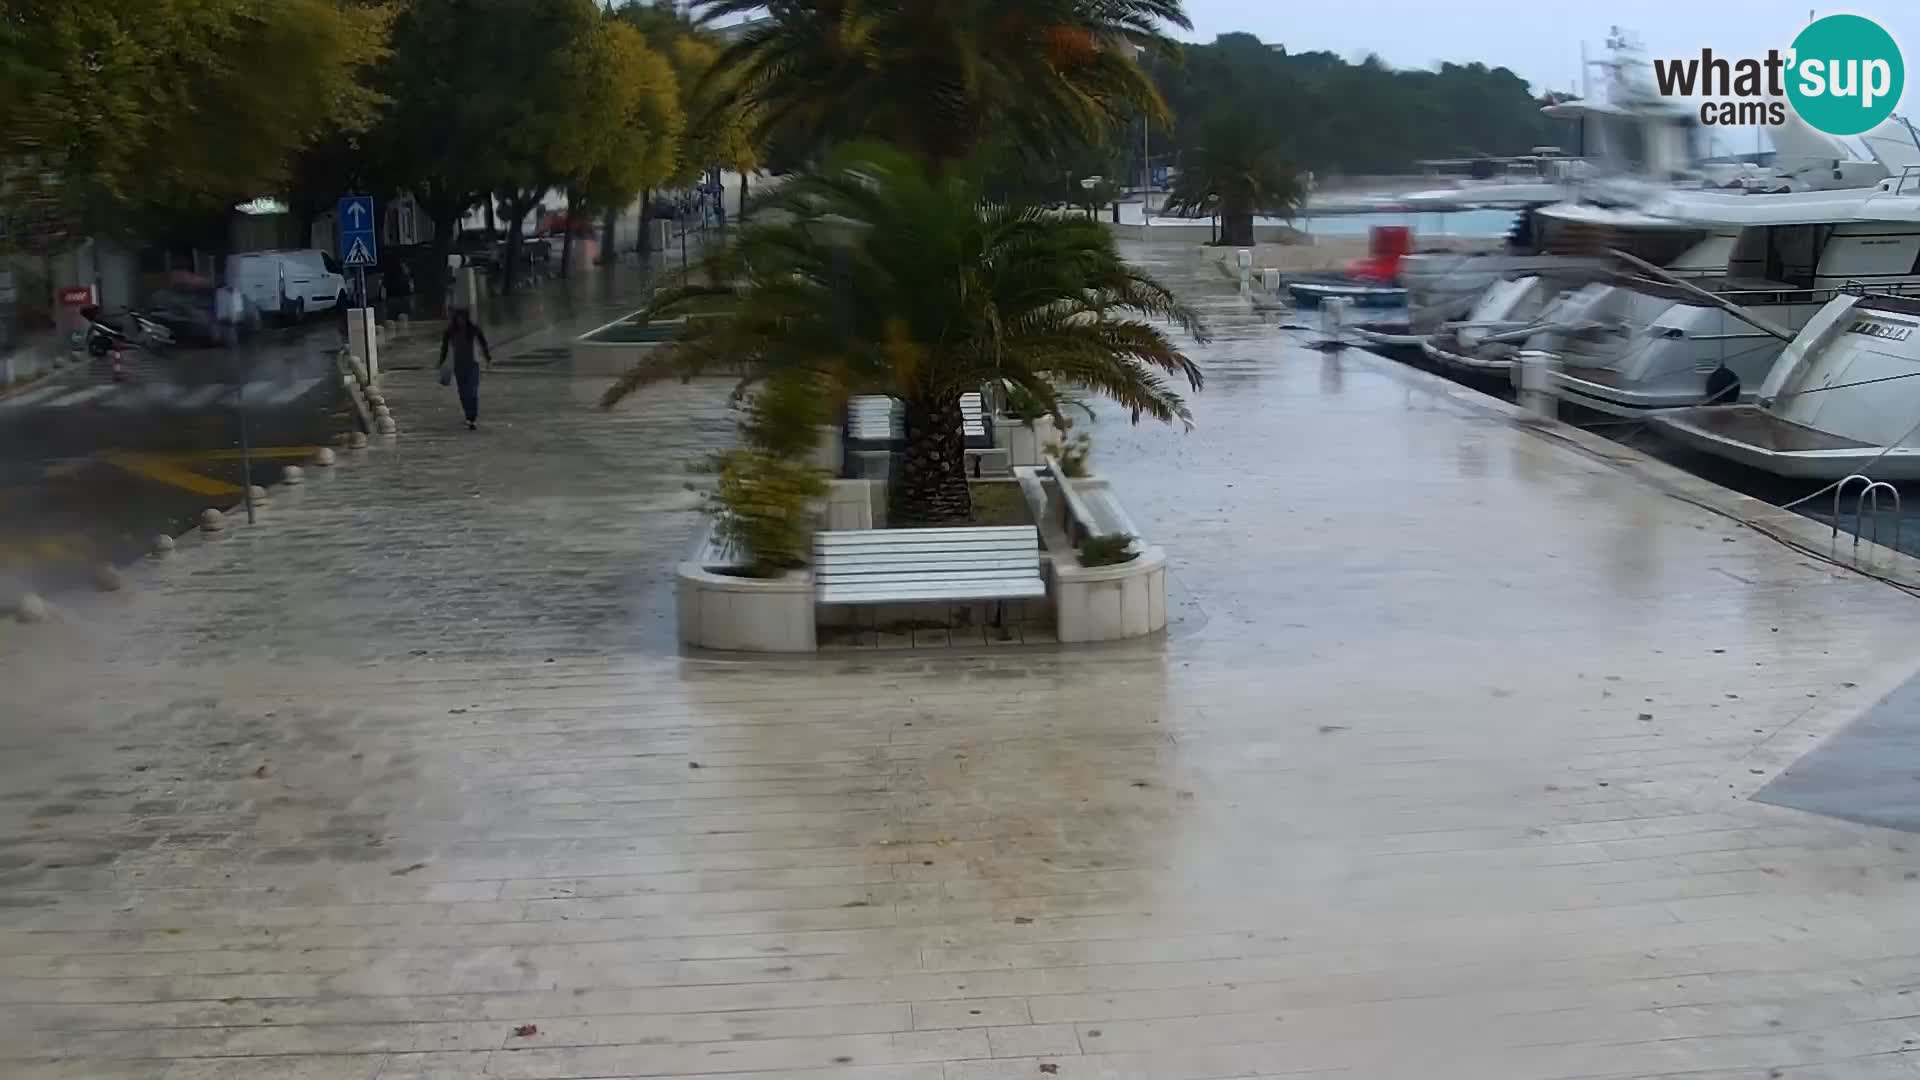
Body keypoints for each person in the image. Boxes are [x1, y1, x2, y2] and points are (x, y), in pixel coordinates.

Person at [438, 306, 493, 430]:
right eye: (458, 319)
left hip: (473, 365)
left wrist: (488, 358)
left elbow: (483, 343)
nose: (460, 321)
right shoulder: (450, 331)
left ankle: (472, 417)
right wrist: (441, 362)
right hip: (459, 366)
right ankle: (469, 416)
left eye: (462, 318)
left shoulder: (473, 329)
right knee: (463, 393)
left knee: (472, 391)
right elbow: (444, 347)